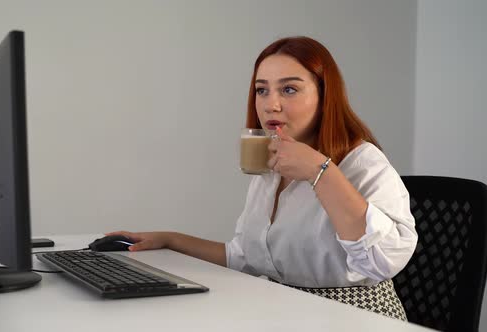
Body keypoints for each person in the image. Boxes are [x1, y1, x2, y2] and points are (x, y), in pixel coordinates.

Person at [107, 36, 418, 320]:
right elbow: (246, 258)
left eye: (289, 89)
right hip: (284, 312)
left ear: (326, 96)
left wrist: (319, 172)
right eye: (262, 90)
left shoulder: (363, 162)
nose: (271, 104)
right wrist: (168, 239)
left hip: (353, 318)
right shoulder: (271, 168)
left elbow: (383, 260)